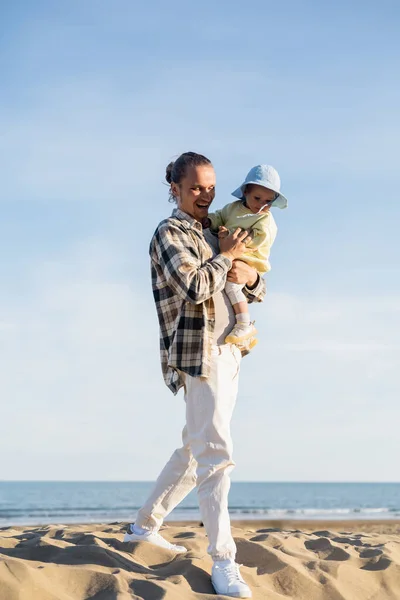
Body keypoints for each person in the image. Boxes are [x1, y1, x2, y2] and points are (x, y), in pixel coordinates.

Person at [123, 152, 266, 598]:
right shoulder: (169, 232)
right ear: (176, 190)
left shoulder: (214, 229)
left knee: (195, 444)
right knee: (216, 451)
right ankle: (224, 560)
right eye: (196, 187)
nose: (206, 194)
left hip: (231, 349)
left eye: (210, 186)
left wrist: (249, 276)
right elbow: (194, 286)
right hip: (199, 353)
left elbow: (249, 282)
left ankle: (144, 527)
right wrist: (225, 259)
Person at [203, 164, 288, 346]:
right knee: (227, 289)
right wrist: (210, 221)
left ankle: (244, 323)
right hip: (232, 252)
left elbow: (257, 240)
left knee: (232, 286)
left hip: (250, 259)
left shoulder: (265, 220)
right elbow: (219, 216)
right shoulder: (233, 208)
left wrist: (229, 239)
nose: (261, 205)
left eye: (268, 201)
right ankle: (243, 341)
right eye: (257, 198)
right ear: (246, 191)